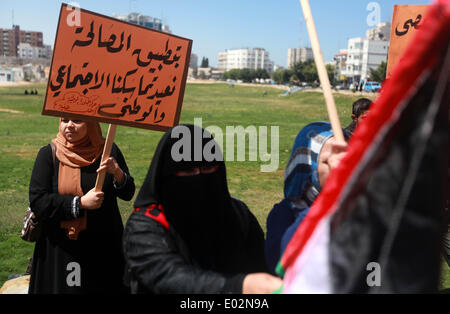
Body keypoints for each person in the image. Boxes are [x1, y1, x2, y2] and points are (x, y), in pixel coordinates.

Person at [122, 124, 282, 294]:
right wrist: (236, 286)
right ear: (166, 174)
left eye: (207, 168)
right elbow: (168, 276)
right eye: (189, 170)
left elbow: (260, 266)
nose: (199, 178)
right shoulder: (145, 225)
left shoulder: (238, 213)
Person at [28, 118, 135, 293]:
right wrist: (80, 203)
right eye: (64, 120)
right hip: (61, 251)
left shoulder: (108, 150)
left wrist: (117, 173)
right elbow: (38, 201)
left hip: (103, 250)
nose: (69, 125)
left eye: (77, 121)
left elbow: (127, 193)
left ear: (91, 124)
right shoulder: (48, 154)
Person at [265, 122, 348, 274]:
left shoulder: (355, 204)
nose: (338, 164)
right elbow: (280, 264)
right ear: (310, 167)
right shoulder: (285, 213)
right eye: (326, 160)